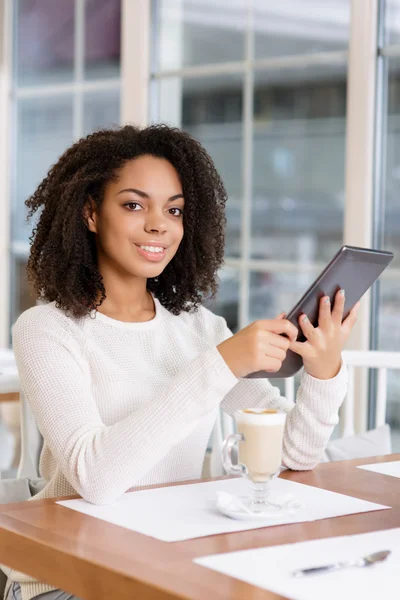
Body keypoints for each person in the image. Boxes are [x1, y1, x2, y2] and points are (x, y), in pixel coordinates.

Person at [3, 124, 358, 600]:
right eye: (134, 205)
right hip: (72, 578)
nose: (159, 224)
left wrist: (323, 372)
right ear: (90, 213)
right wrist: (221, 364)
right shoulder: (47, 329)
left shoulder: (198, 328)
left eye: (174, 210)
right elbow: (96, 477)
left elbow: (293, 454)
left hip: (174, 564)